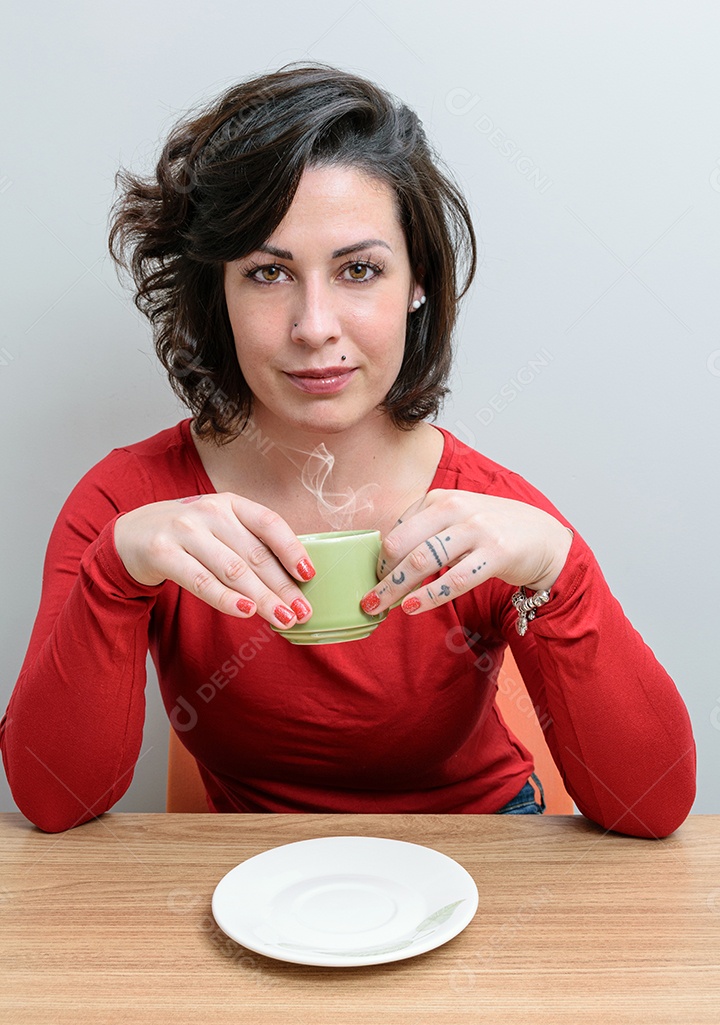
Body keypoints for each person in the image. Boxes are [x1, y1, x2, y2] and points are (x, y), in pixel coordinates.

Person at [1, 64, 695, 836]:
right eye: (268, 273)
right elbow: (55, 802)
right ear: (216, 293)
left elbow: (653, 808)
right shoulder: (128, 507)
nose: (314, 327)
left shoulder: (490, 513)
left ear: (418, 283)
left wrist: (562, 571)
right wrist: (114, 572)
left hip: (486, 855)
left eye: (358, 270)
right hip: (253, 878)